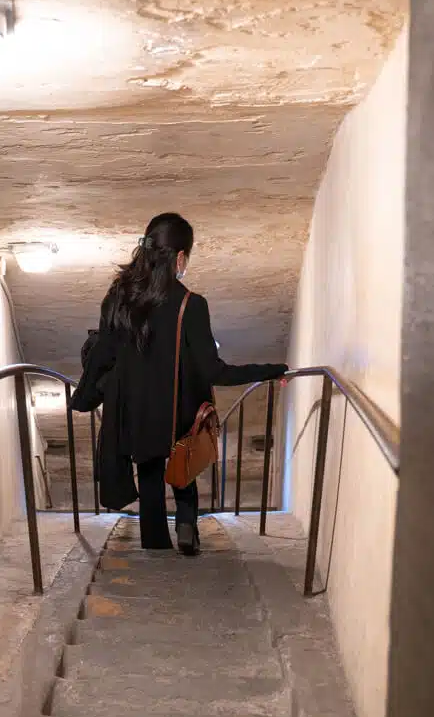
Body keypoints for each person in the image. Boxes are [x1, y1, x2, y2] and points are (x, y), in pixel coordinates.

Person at [71, 213, 287, 554]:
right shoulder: (192, 305)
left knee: (151, 475)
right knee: (184, 463)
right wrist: (270, 369)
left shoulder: (118, 297)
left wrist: (84, 395)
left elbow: (103, 354)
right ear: (181, 257)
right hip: (177, 412)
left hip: (135, 414)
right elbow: (214, 371)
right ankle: (187, 525)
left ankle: (155, 545)